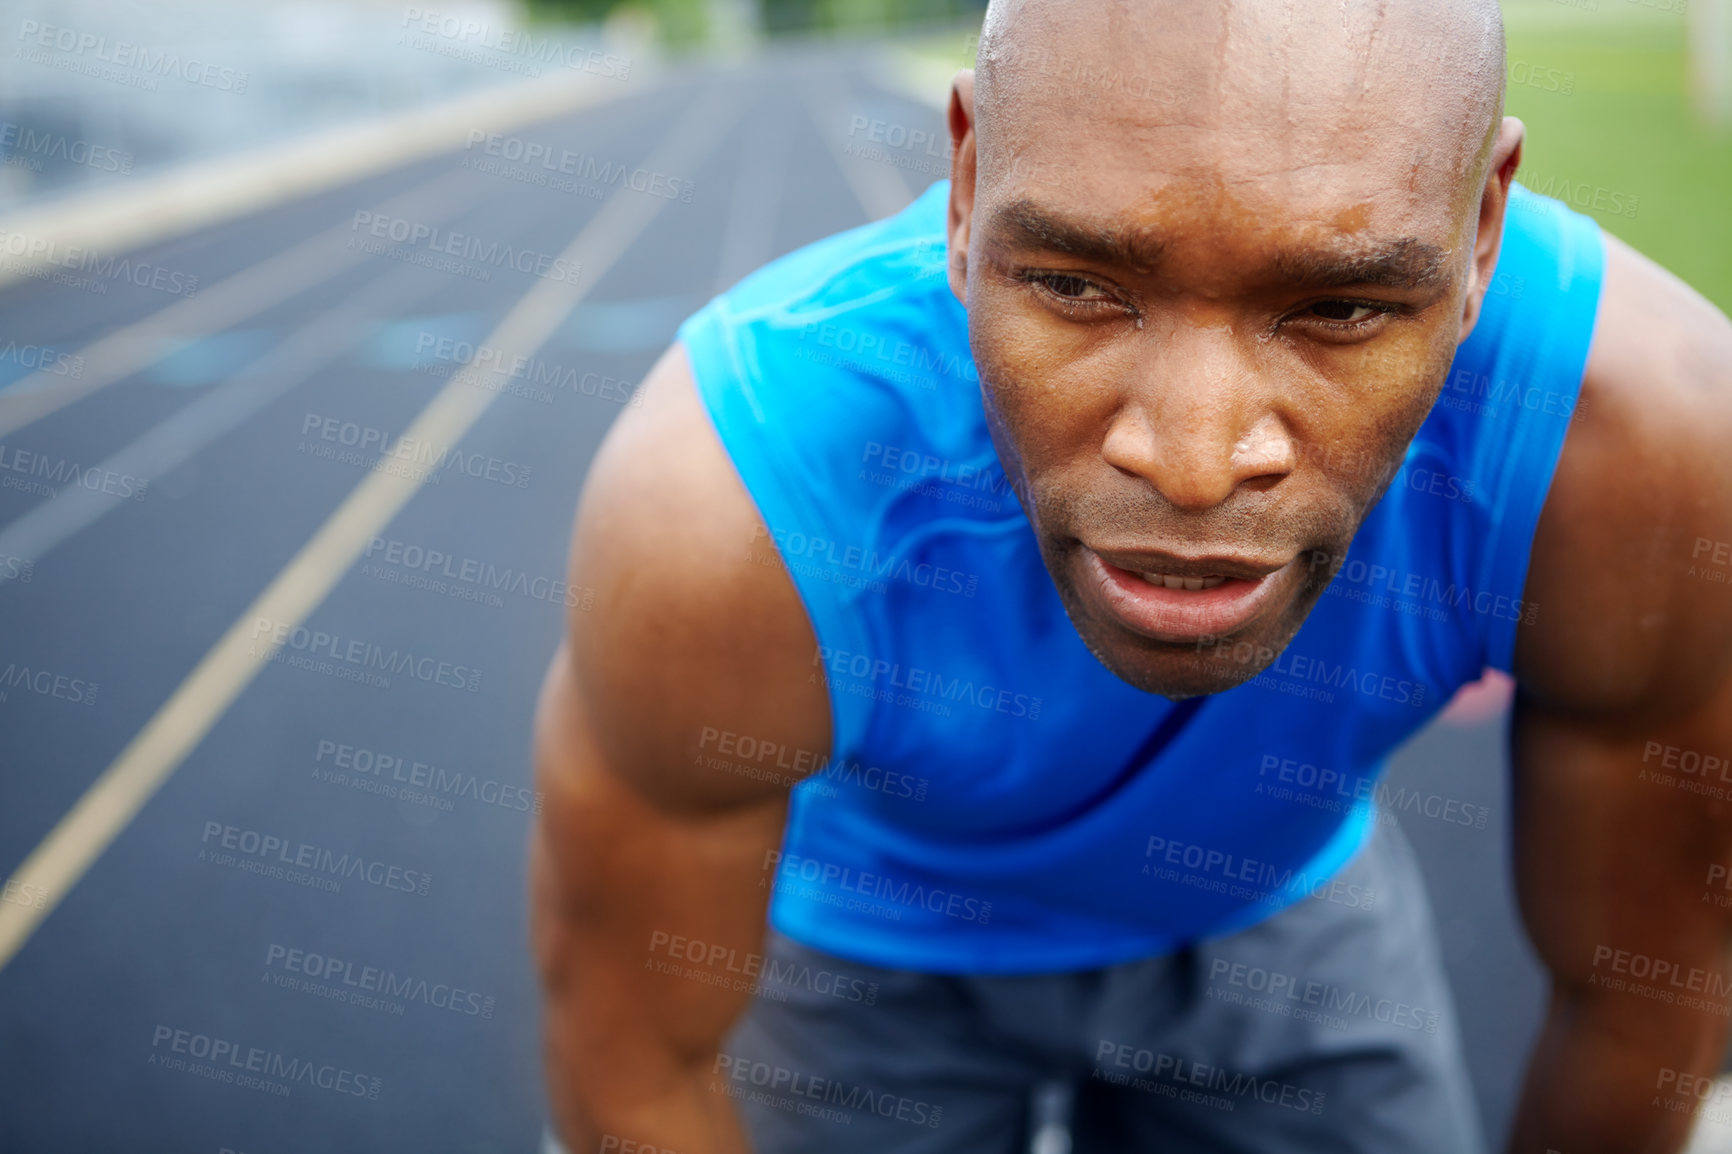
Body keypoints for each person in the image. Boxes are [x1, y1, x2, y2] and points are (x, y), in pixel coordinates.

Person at [529, 0, 1732, 1150]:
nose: (1196, 463)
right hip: (867, 938)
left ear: (1481, 234)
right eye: (1075, 285)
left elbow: (1644, 997)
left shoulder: (1639, 448)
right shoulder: (733, 497)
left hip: (1277, 898)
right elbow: (633, 1057)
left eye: (1341, 307)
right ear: (964, 191)